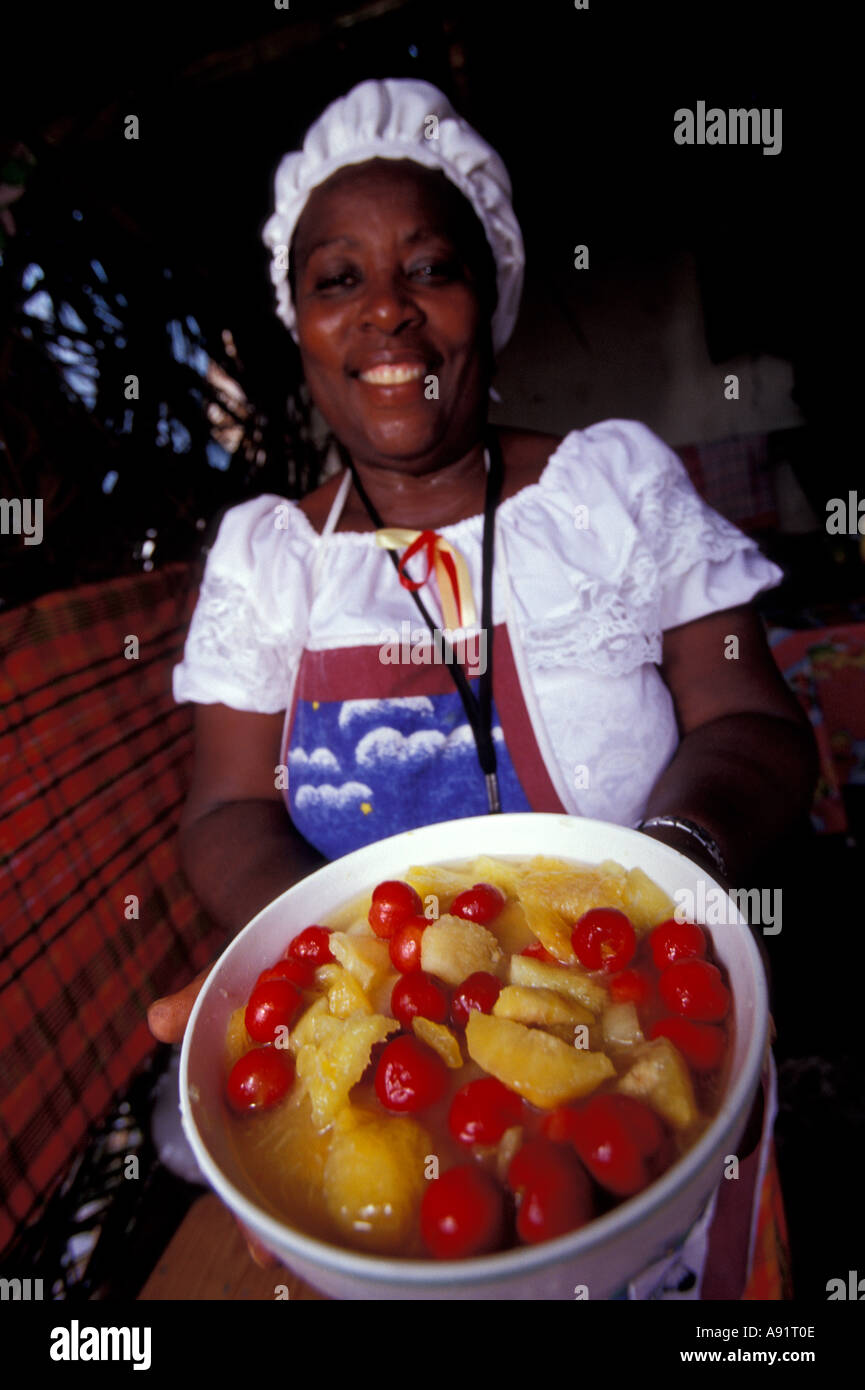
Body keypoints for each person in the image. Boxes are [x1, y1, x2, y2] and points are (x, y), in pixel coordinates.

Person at [147, 78, 816, 1295]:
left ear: (489, 297)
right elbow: (227, 808)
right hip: (394, 1049)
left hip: (647, 1024)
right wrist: (320, 956)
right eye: (337, 279)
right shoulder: (267, 562)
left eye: (429, 267)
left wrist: (664, 875)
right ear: (296, 320)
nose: (387, 314)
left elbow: (754, 722)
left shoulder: (613, 491)